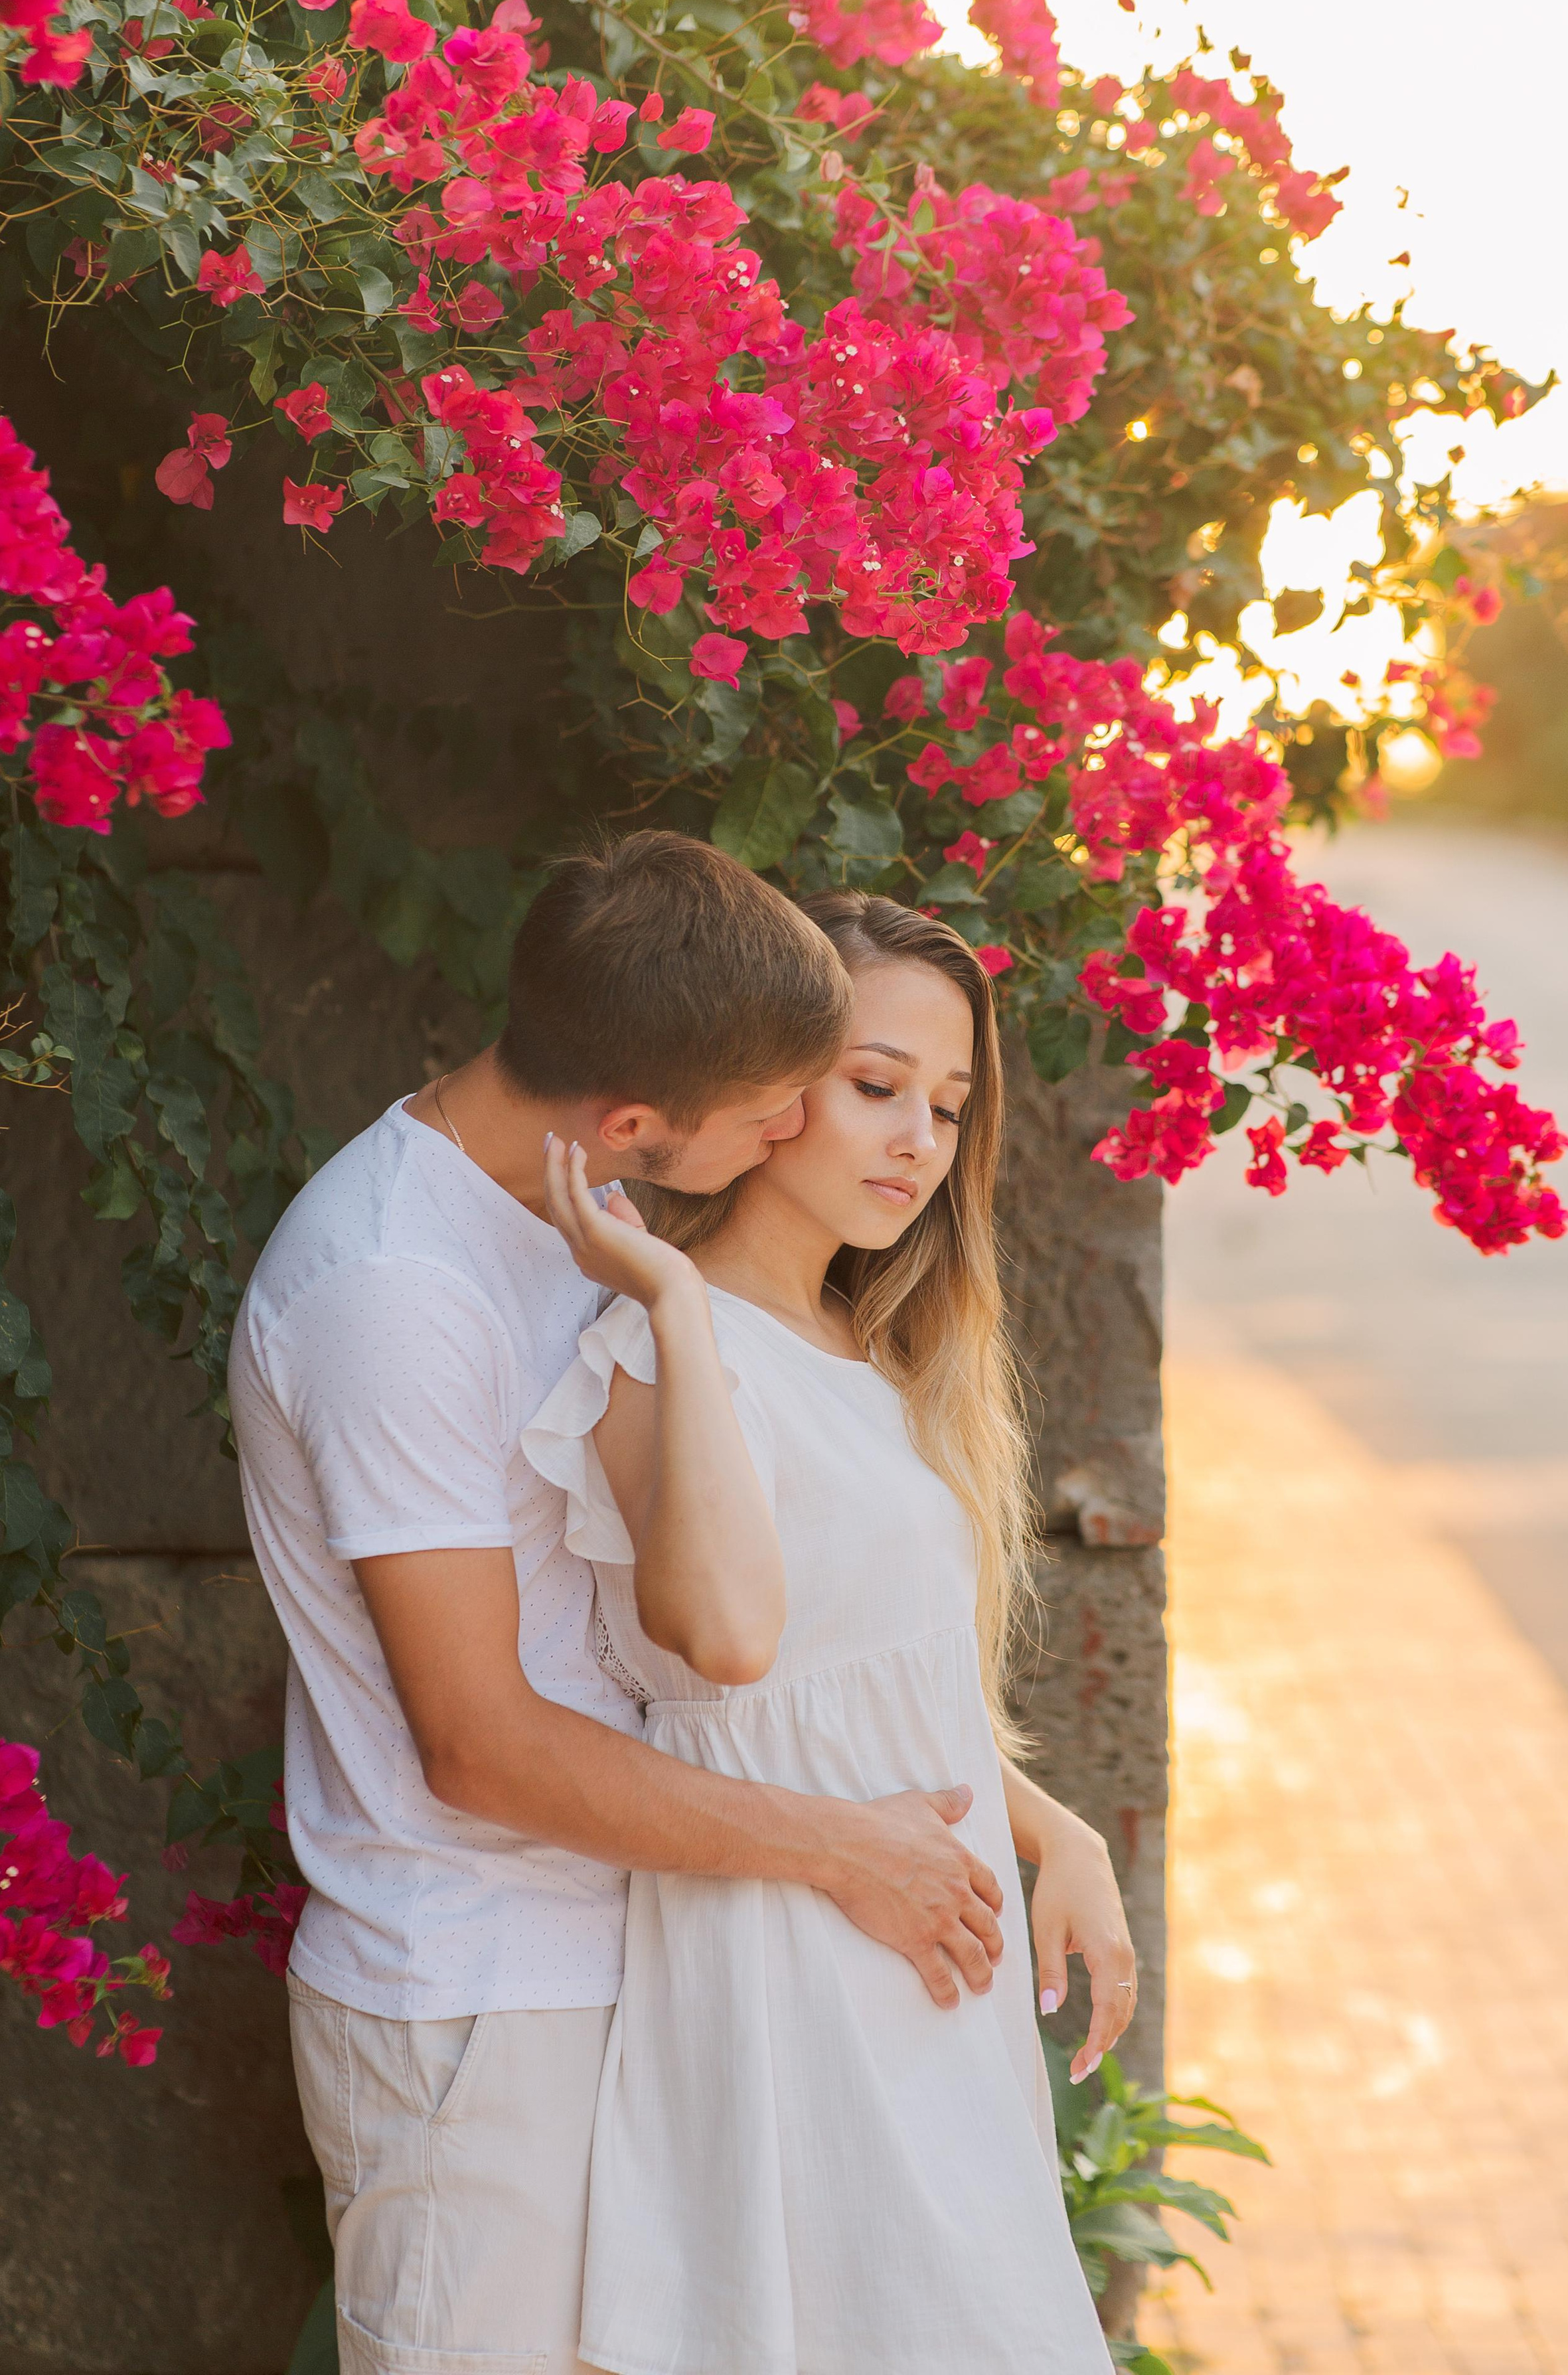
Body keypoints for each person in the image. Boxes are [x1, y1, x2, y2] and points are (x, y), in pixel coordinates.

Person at [230, 834, 1021, 2375]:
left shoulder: (574, 1218)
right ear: (638, 1120)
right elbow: (478, 1744)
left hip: (648, 1960)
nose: (797, 1128)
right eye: (771, 1110)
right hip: (479, 1999)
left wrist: (1016, 1823)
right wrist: (849, 1853)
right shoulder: (394, 1295)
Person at [526, 889, 1135, 2375]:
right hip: (786, 1963)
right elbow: (730, 1649)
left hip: (928, 1966)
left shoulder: (874, 1357)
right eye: (874, 1087)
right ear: (771, 1083)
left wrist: (1061, 1832)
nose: (918, 1141)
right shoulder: (652, 1349)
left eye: (945, 1104)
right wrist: (671, 1297)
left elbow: (876, 1692)